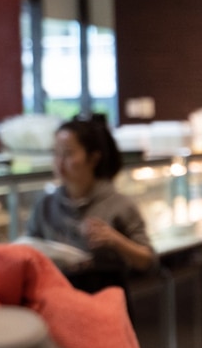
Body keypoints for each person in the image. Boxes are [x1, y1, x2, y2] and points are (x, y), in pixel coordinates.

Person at [24, 115, 158, 309]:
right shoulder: (45, 204)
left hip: (106, 308)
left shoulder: (119, 204)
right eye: (56, 153)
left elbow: (149, 262)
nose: (60, 163)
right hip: (56, 304)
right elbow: (30, 251)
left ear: (93, 158)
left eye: (68, 154)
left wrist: (116, 241)